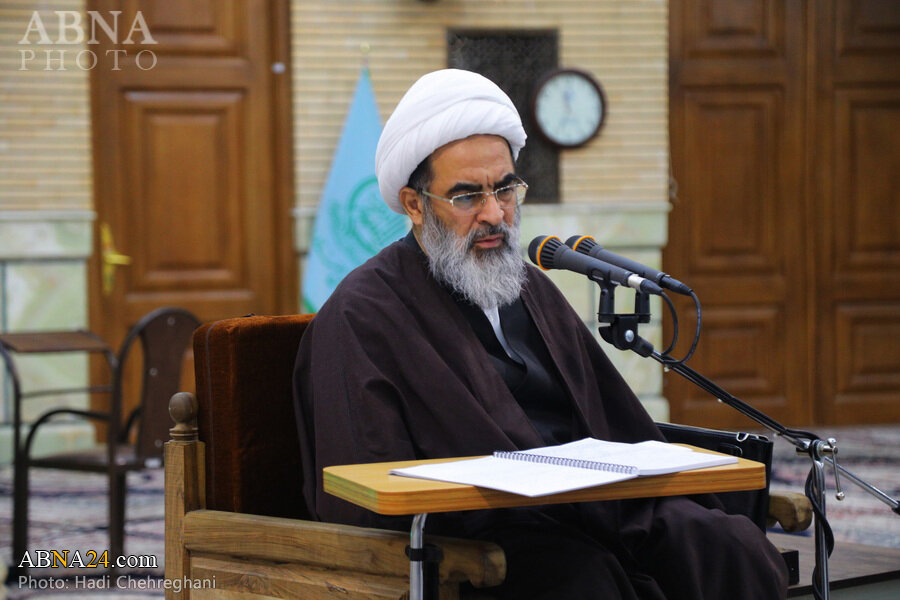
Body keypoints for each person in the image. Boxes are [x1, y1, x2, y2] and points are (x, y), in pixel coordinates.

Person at [293, 69, 788, 599]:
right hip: (479, 538)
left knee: (725, 545)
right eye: (467, 196)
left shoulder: (529, 286)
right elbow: (364, 493)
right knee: (582, 580)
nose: (494, 214)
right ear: (415, 205)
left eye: (505, 189)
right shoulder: (364, 313)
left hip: (593, 506)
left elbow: (612, 420)